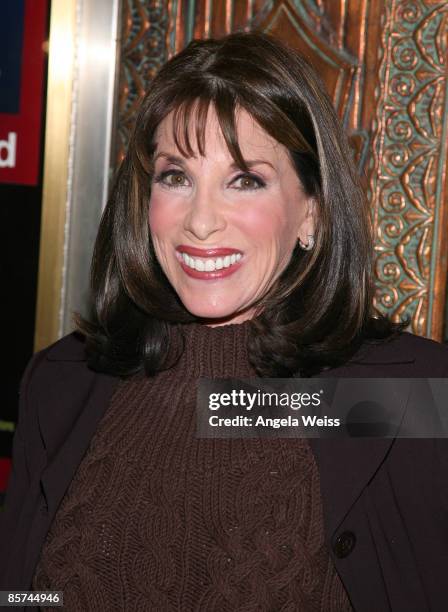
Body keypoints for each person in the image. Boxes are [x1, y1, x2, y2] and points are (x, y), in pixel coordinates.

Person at [1, 30, 448, 612]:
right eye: (176, 177)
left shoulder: (409, 400)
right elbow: (21, 595)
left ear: (310, 211)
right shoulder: (64, 382)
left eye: (245, 180)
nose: (202, 221)